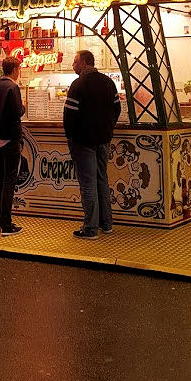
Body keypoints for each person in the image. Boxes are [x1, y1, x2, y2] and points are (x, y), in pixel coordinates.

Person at [63, 49, 121, 239]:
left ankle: (90, 228)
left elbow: (69, 115)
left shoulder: (78, 84)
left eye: (75, 62)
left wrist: (70, 136)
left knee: (87, 183)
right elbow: (117, 108)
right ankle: (107, 224)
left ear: (84, 63)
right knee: (101, 179)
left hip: (83, 140)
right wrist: (108, 127)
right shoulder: (108, 82)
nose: (73, 65)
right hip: (104, 138)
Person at [0, 57, 25, 236]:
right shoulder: (12, 87)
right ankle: (7, 225)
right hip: (10, 138)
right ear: (15, 69)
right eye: (19, 69)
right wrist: (23, 107)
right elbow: (17, 112)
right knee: (9, 180)